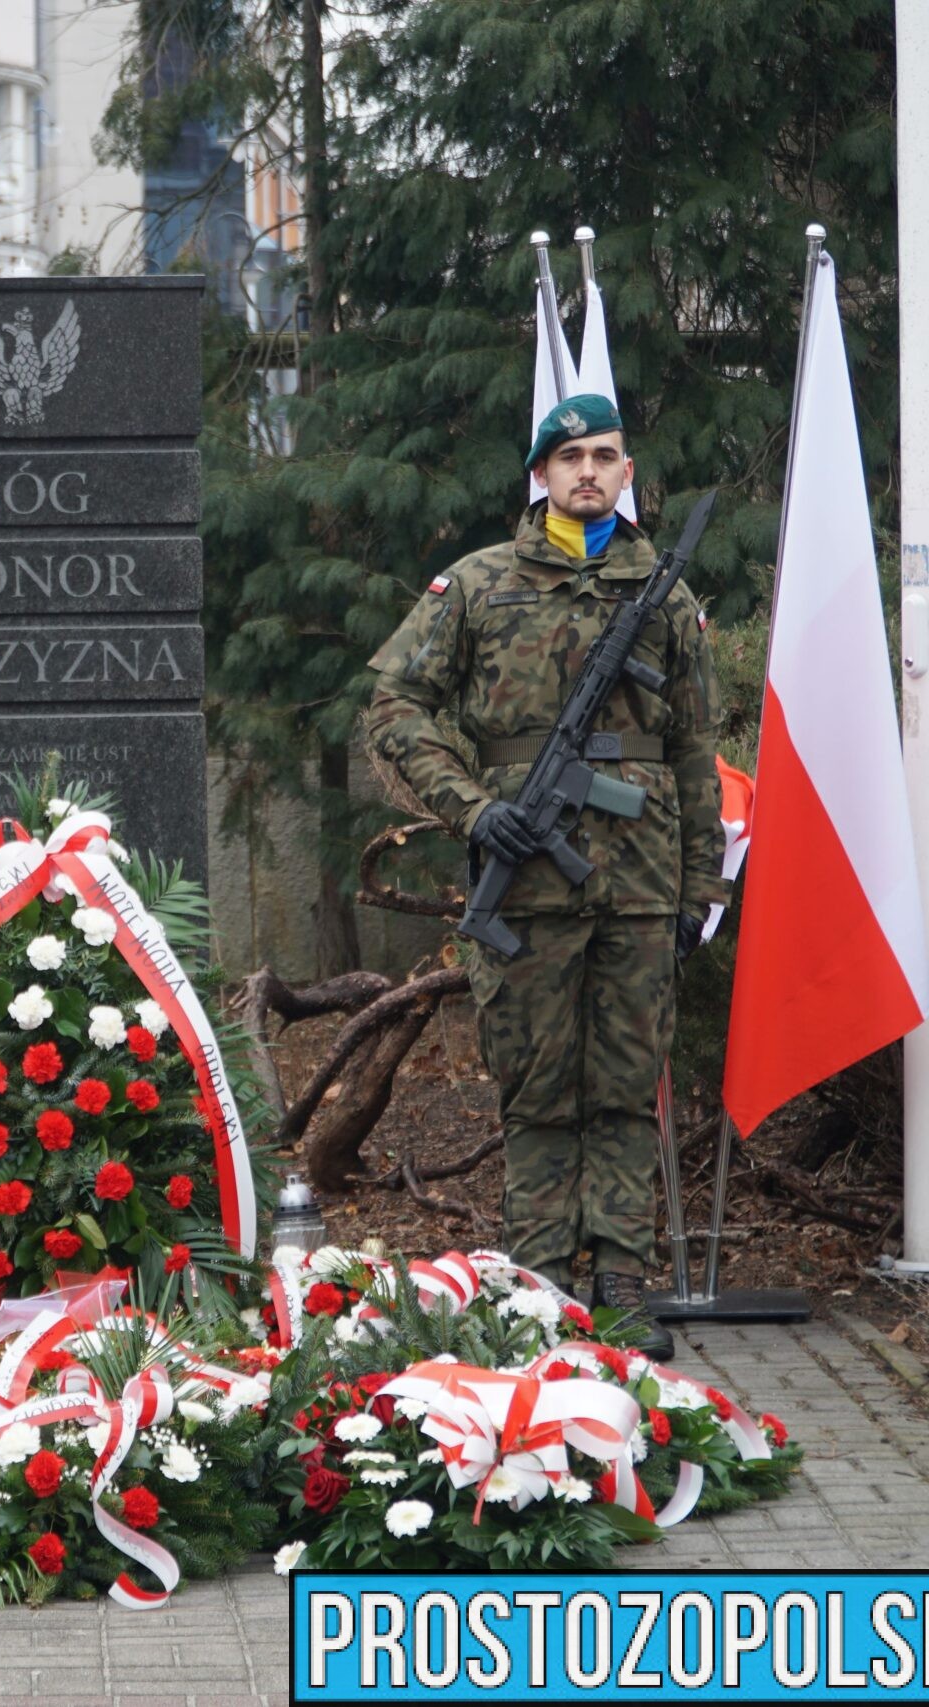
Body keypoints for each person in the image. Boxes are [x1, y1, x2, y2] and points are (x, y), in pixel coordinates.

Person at [363, 394, 725, 1358]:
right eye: (569, 457)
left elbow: (696, 748)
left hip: (642, 876)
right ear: (542, 475)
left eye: (605, 455)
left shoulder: (667, 595)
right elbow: (395, 705)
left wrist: (701, 886)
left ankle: (618, 1282)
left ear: (628, 469)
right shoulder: (478, 585)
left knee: (623, 1083)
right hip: (524, 877)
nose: (589, 472)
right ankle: (537, 1285)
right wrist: (475, 808)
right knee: (534, 1085)